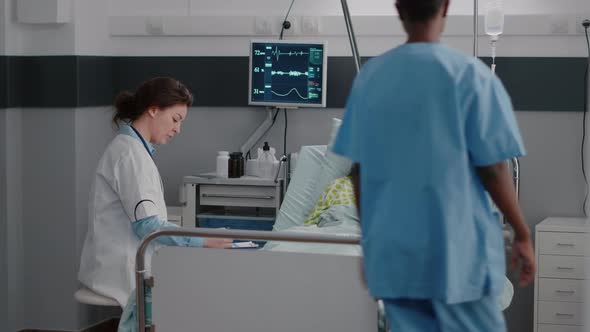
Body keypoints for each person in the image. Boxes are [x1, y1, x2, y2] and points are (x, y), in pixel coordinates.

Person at [332, 1, 536, 331]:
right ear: (445, 7)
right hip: (458, 257)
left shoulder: (371, 78)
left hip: (398, 258)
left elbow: (360, 171)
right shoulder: (471, 76)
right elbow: (494, 170)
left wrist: (370, 241)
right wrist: (523, 234)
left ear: (398, 9)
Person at [78, 77, 232, 331]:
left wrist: (199, 239)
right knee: (193, 298)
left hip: (131, 258)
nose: (178, 129)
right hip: (121, 267)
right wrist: (204, 240)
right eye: (175, 119)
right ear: (153, 109)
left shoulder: (135, 150)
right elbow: (148, 226)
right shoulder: (129, 154)